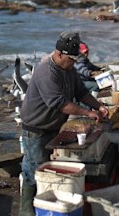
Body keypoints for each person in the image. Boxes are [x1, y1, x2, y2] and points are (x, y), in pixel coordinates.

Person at [18, 31, 108, 216]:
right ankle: (26, 211)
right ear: (59, 54)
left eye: (76, 60)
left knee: (47, 167)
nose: (74, 63)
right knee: (33, 170)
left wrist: (98, 106)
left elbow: (81, 92)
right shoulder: (46, 72)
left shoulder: (68, 69)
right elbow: (60, 103)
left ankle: (46, 203)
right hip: (36, 129)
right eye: (72, 59)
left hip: (53, 126)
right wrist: (87, 112)